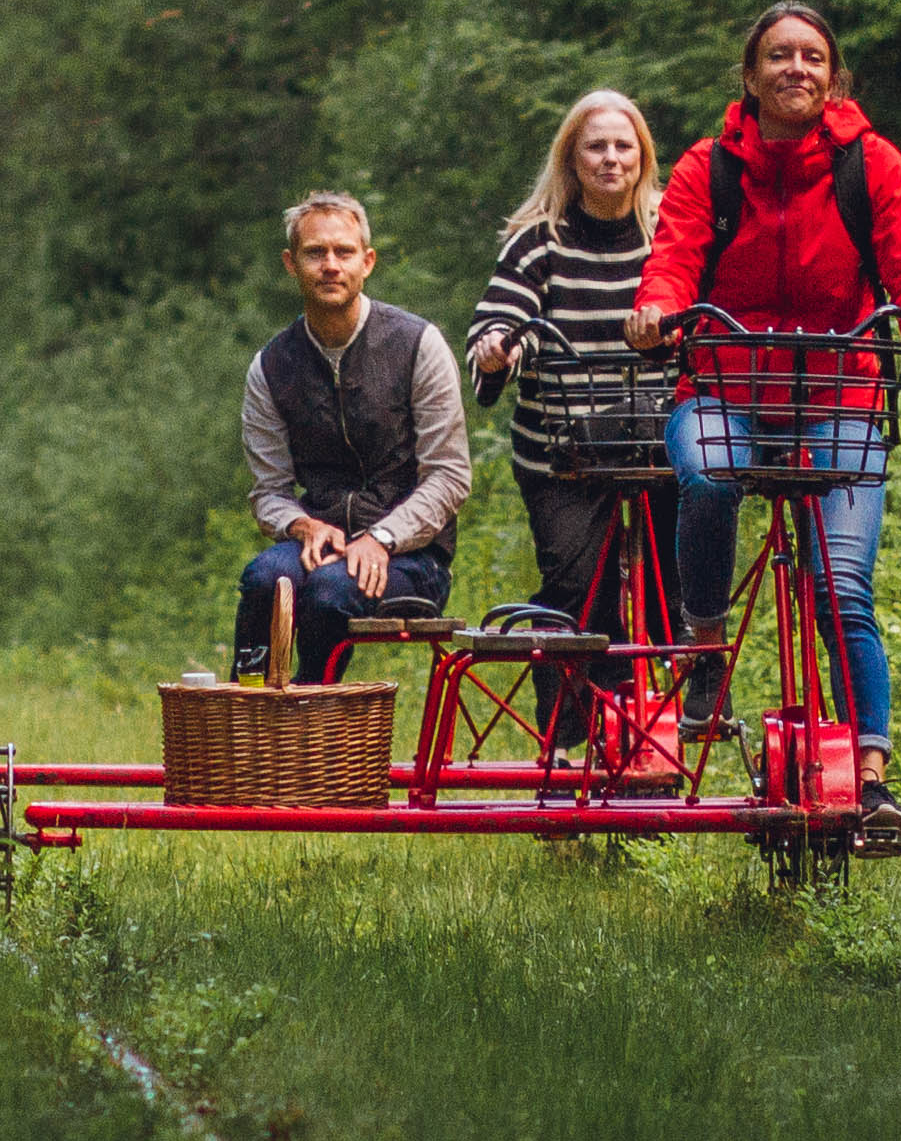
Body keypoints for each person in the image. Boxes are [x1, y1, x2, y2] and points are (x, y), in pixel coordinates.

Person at [622, 1, 901, 835]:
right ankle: (705, 651)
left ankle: (872, 776)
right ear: (751, 75)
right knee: (704, 475)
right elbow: (673, 260)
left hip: (837, 400)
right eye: (779, 56)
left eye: (812, 57)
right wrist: (656, 309)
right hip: (726, 388)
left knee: (842, 587)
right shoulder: (710, 167)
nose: (796, 69)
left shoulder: (871, 164)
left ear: (832, 75)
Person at [465, 88, 670, 760]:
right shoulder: (539, 242)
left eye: (623, 145)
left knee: (679, 580)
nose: (611, 158)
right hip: (563, 451)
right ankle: (570, 739)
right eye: (596, 146)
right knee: (579, 589)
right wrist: (501, 348)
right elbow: (500, 320)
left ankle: (673, 704)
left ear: (642, 157)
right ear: (572, 159)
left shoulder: (670, 234)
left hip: (657, 443)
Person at [233, 189, 470, 683]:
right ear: (290, 264)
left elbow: (449, 476)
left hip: (412, 554)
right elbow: (268, 494)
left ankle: (310, 715)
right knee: (261, 580)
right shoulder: (271, 366)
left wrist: (383, 538)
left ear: (368, 262)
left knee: (327, 592)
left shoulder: (417, 344)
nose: (330, 265)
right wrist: (302, 525)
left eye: (343, 252)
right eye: (315, 253)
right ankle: (247, 708)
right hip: (319, 544)